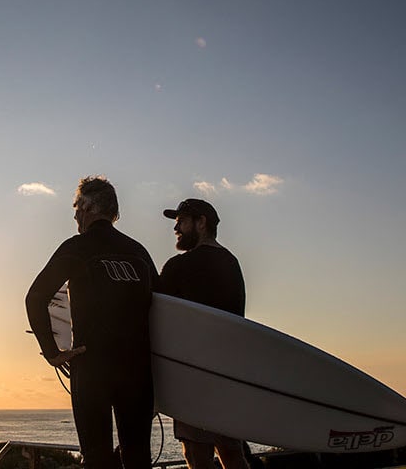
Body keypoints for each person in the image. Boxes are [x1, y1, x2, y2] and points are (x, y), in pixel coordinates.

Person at [26, 176, 159, 469]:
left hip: (92, 370)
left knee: (97, 459)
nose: (75, 214)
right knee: (138, 458)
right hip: (138, 373)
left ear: (88, 207)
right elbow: (162, 309)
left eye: (77, 206)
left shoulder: (77, 247)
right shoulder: (138, 252)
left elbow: (35, 298)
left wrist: (52, 352)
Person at [157, 198, 250, 469]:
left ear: (201, 223)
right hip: (228, 376)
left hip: (192, 377)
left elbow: (157, 316)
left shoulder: (179, 266)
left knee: (197, 458)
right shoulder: (232, 264)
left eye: (182, 221)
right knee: (232, 453)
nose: (176, 227)